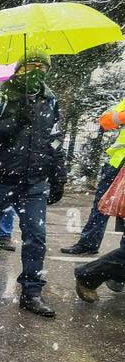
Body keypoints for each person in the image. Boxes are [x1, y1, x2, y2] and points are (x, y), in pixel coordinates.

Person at [0, 50, 66, 318]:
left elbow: (54, 140)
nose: (35, 72)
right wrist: (13, 121)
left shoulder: (49, 100)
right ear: (18, 70)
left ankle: (32, 292)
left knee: (36, 237)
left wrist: (59, 174)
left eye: (41, 68)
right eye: (29, 67)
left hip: (33, 184)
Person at [62, 98, 125, 255]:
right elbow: (105, 120)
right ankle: (89, 243)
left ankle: (120, 258)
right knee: (101, 204)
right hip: (117, 162)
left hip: (118, 163)